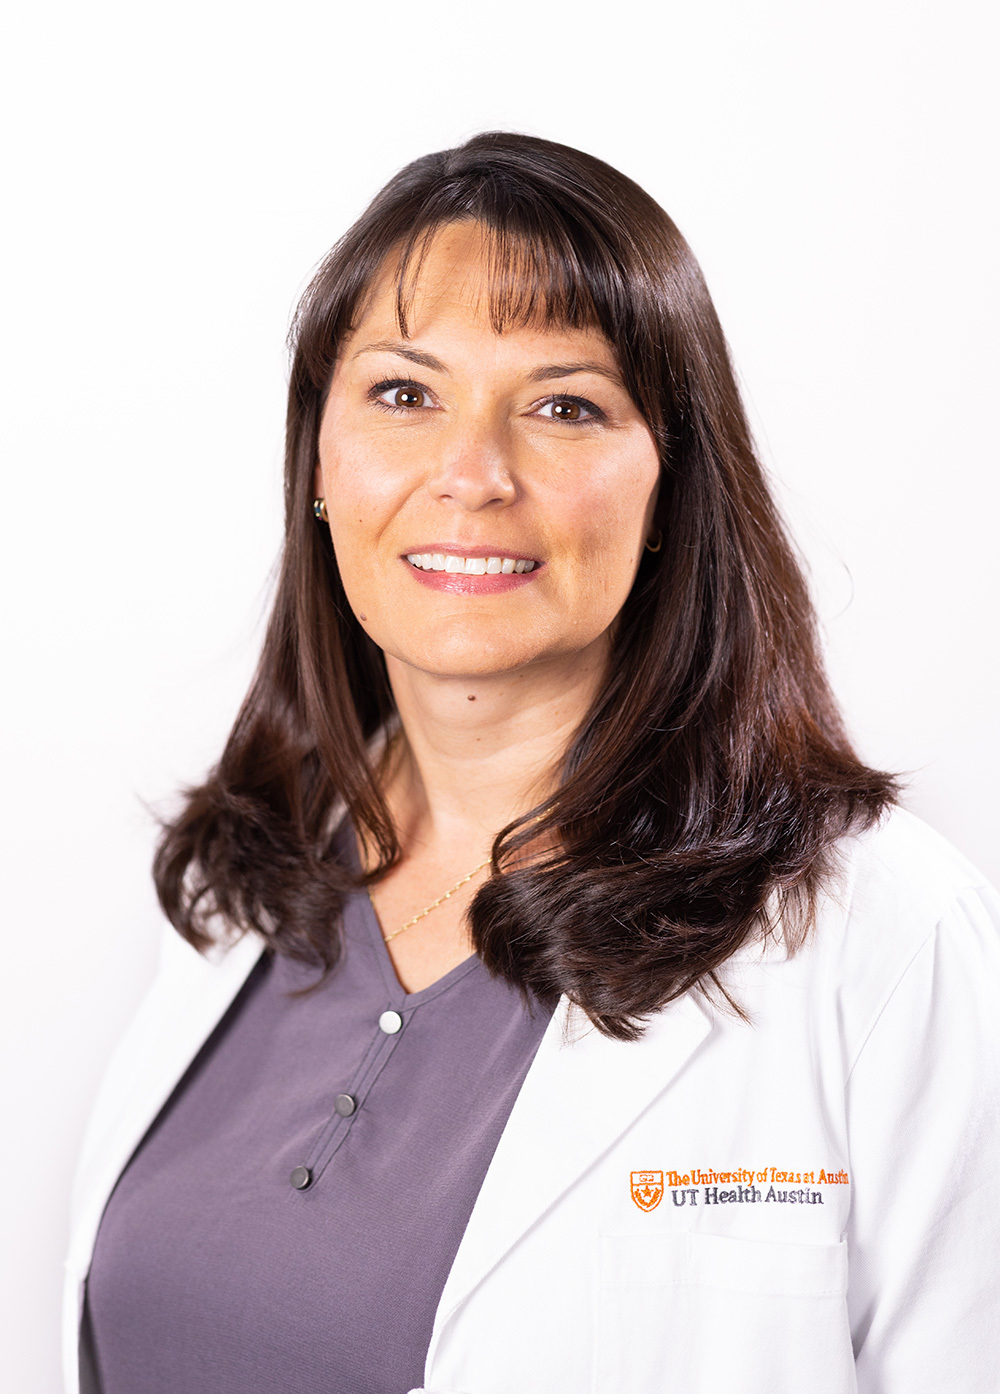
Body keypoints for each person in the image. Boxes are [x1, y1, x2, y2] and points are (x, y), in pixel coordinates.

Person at [65, 132, 1000, 1394]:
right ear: (321, 462)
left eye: (565, 404)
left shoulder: (878, 933)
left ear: (672, 482)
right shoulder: (248, 871)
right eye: (404, 392)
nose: (472, 475)